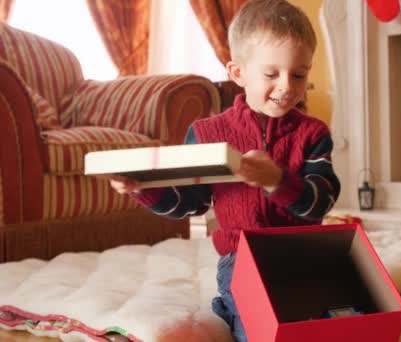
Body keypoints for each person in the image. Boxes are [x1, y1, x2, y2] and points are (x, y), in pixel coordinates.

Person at [109, 1, 340, 341]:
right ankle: (233, 309)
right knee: (266, 332)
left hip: (303, 258)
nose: (287, 86)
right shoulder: (207, 133)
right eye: (272, 74)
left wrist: (277, 180)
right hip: (242, 261)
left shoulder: (314, 134)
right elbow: (191, 202)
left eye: (299, 74)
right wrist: (145, 188)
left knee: (332, 325)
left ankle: (230, 312)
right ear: (238, 73)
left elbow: (321, 202)